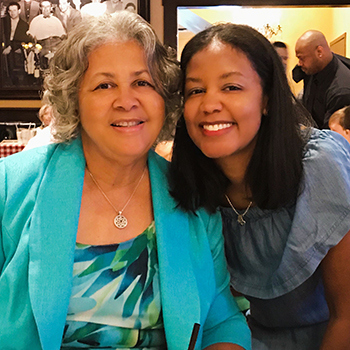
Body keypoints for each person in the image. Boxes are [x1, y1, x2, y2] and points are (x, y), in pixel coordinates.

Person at [0, 12, 251, 350]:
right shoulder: (9, 186)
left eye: (142, 83)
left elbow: (222, 321)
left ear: (164, 99)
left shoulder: (191, 198)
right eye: (104, 85)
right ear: (75, 100)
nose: (126, 101)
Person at [169, 23, 350, 350]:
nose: (210, 104)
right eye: (196, 90)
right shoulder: (191, 180)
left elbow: (347, 316)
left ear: (266, 98)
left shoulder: (320, 165)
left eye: (231, 87)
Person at [294, 30, 350, 129]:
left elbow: (329, 139)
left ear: (319, 52)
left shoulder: (341, 92)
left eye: (301, 58)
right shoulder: (314, 67)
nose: (299, 63)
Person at [27, 0, 66, 69]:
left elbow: (62, 35)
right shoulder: (35, 21)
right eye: (43, 7)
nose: (46, 9)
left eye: (48, 7)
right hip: (43, 45)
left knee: (60, 60)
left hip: (56, 44)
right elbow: (31, 37)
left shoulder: (56, 20)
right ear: (40, 8)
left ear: (51, 8)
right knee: (44, 62)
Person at [2, 1, 31, 85]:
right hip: (5, 47)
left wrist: (10, 47)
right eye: (10, 11)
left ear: (19, 11)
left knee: (18, 73)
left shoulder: (24, 25)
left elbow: (22, 39)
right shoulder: (3, 22)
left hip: (17, 50)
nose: (12, 13)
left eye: (14, 10)